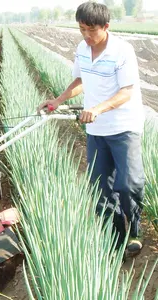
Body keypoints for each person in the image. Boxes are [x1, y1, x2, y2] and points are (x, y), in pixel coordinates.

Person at [37, 2, 144, 256]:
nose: (86, 35)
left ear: (106, 27)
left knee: (128, 184)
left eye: (91, 30)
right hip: (96, 131)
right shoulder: (82, 49)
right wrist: (58, 101)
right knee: (101, 188)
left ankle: (135, 231)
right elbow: (81, 80)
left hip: (123, 127)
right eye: (81, 29)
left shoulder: (122, 51)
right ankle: (116, 241)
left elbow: (126, 92)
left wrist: (97, 109)